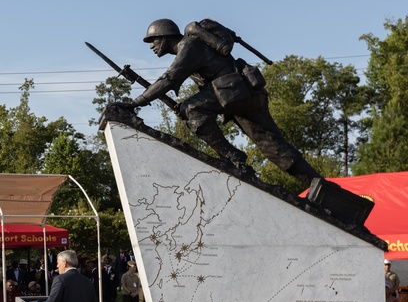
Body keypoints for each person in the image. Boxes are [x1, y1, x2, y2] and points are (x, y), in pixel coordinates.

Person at [129, 18, 321, 189]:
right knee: (271, 144)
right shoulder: (191, 46)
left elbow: (169, 79)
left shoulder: (189, 46)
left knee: (192, 108)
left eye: (153, 40)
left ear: (165, 37)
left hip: (236, 93)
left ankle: (234, 157)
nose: (151, 46)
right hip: (238, 93)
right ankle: (315, 183)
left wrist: (134, 103)